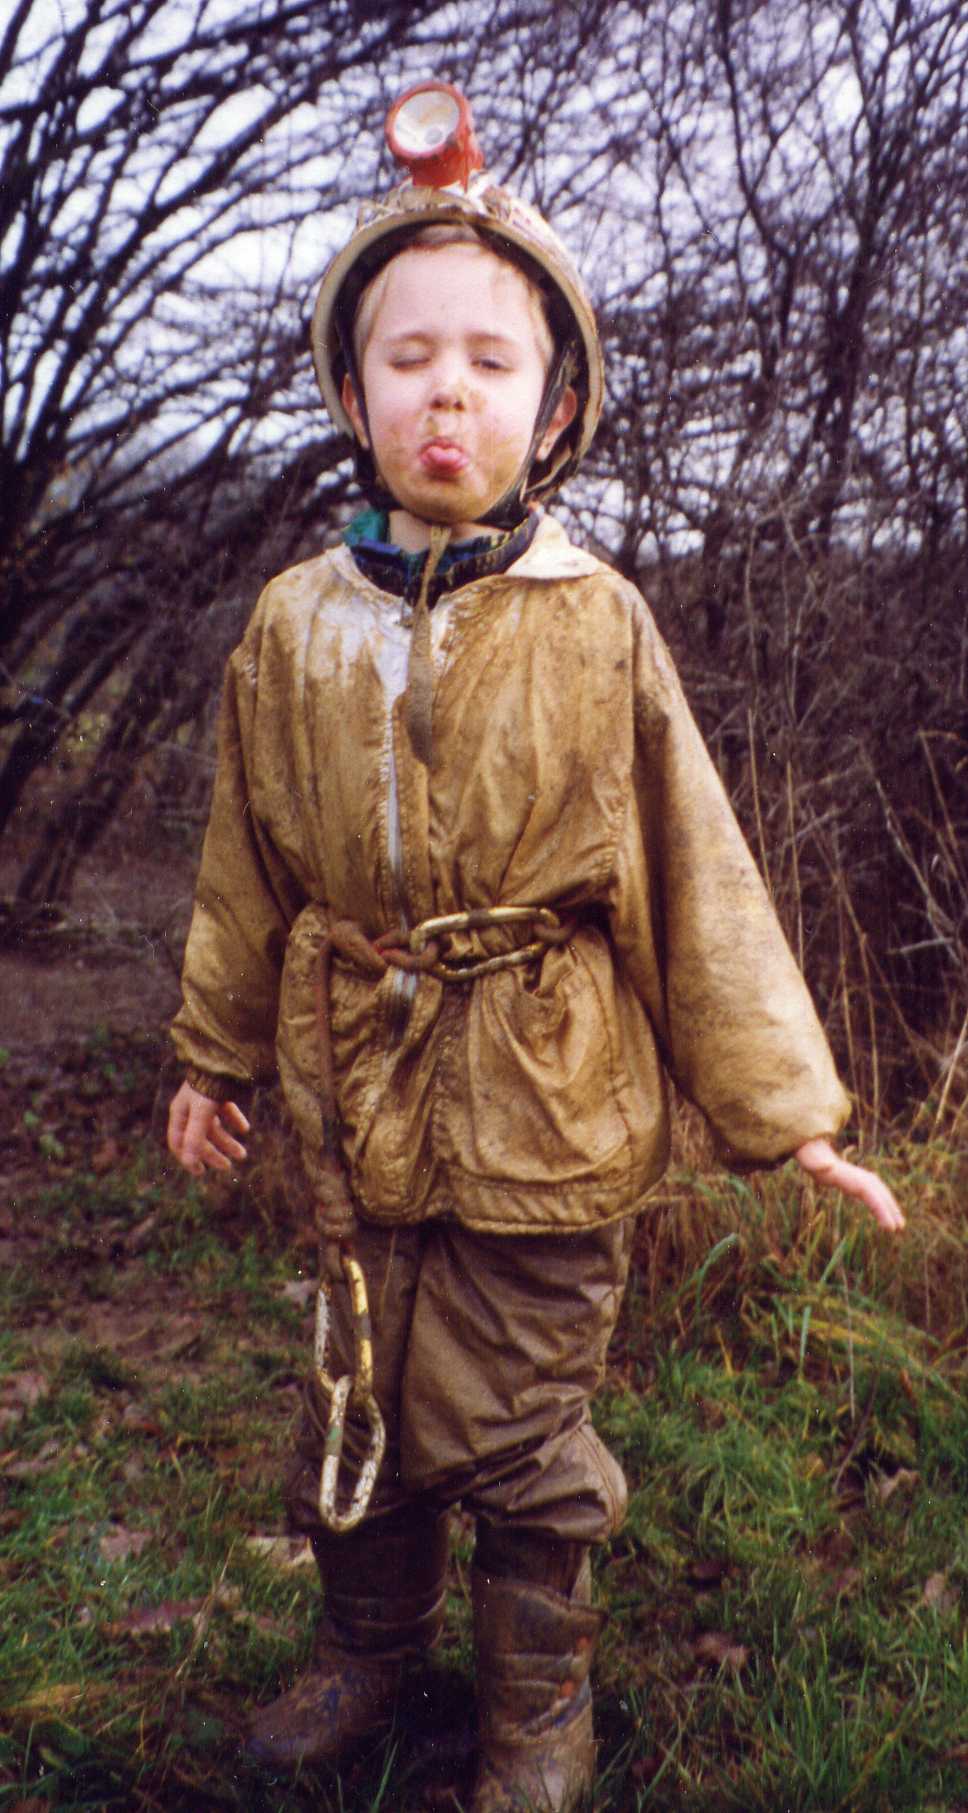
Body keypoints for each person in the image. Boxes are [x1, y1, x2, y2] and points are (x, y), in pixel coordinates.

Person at [167, 82, 903, 1813]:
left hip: (547, 1105)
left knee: (514, 1418)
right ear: (353, 391)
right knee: (357, 1386)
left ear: (553, 404)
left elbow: (693, 869)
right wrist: (212, 1053)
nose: (449, 391)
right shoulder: (293, 625)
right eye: (410, 357)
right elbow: (245, 862)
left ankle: (535, 1712)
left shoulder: (596, 624)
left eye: (490, 362)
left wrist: (786, 1111)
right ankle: (367, 1650)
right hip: (353, 1093)